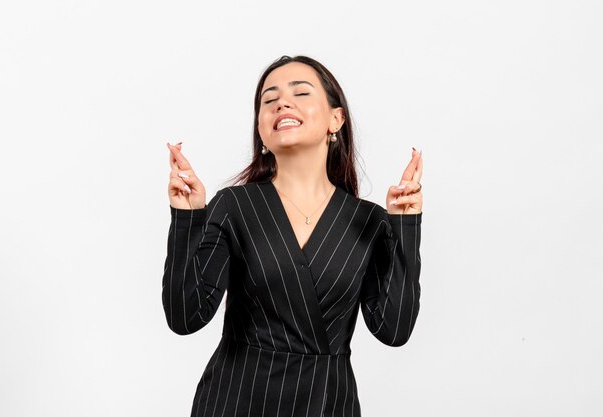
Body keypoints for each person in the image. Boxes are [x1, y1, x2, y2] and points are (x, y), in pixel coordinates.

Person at [162, 55, 423, 417]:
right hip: (234, 401)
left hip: (326, 405)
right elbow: (184, 317)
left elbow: (393, 330)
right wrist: (188, 217)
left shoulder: (370, 221)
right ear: (261, 128)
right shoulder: (234, 205)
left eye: (300, 93)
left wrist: (404, 228)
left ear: (336, 119)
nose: (282, 103)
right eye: (269, 100)